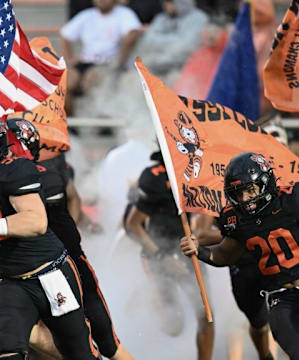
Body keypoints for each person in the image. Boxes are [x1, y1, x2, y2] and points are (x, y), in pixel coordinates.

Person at [181, 151, 299, 359]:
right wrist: (199, 251)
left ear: (265, 183)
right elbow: (225, 255)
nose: (244, 199)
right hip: (282, 299)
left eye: (249, 190)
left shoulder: (293, 199)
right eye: (238, 193)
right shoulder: (236, 218)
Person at [7, 118, 134, 360]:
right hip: (40, 270)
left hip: (61, 269)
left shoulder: (33, 177)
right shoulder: (49, 173)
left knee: (106, 346)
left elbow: (38, 214)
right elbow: (73, 197)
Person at [0, 125, 101, 359]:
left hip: (49, 273)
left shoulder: (12, 170)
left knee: (80, 353)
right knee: (7, 349)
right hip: (11, 282)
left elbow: (35, 221)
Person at [125, 150, 214, 360]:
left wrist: (199, 238)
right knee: (174, 325)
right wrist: (163, 257)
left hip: (190, 250)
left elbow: (205, 226)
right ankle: (147, 294)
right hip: (160, 250)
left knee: (206, 314)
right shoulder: (156, 176)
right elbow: (133, 225)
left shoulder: (204, 171)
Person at [193, 214, 274, 360]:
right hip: (241, 267)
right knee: (251, 324)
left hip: (274, 260)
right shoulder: (217, 196)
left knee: (282, 315)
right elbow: (201, 235)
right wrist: (239, 232)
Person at [60, 0, 142, 114]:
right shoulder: (87, 15)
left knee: (91, 79)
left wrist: (119, 61)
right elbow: (65, 35)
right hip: (85, 62)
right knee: (66, 81)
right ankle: (69, 124)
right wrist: (69, 60)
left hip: (107, 64)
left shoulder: (124, 14)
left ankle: (98, 123)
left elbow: (133, 33)